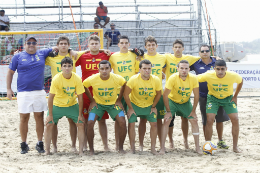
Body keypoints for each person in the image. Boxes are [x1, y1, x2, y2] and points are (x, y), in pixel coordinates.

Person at [6, 36, 56, 154]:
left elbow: (57, 47)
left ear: (36, 44)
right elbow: (10, 72)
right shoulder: (18, 56)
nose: (31, 44)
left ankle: (39, 143)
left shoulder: (42, 53)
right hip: (23, 92)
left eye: (33, 42)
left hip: (39, 91)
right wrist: (8, 88)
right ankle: (24, 144)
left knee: (39, 117)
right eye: (29, 43)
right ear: (25, 45)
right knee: (24, 118)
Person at [197, 60, 243, 153]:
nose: (220, 71)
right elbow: (194, 79)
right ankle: (208, 145)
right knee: (209, 120)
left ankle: (235, 147)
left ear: (226, 69)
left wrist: (235, 96)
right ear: (214, 69)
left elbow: (241, 81)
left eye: (222, 69)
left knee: (235, 119)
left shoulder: (232, 75)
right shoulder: (208, 75)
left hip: (228, 98)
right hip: (213, 99)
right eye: (218, 69)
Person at [45, 36, 81, 153]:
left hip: (71, 95)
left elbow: (91, 50)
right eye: (61, 43)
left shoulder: (73, 55)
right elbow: (38, 55)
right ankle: (54, 147)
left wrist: (104, 50)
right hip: (57, 94)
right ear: (58, 45)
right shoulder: (52, 57)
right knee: (53, 123)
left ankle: (74, 146)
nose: (63, 45)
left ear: (68, 45)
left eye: (65, 43)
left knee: (73, 121)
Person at [83, 60, 127, 155]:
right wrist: (92, 101)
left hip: (113, 104)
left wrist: (119, 100)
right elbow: (84, 86)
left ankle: (120, 148)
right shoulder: (93, 78)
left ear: (110, 69)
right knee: (90, 123)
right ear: (98, 69)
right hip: (98, 104)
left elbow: (124, 84)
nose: (104, 71)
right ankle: (91, 150)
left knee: (123, 122)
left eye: (107, 68)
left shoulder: (116, 78)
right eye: (102, 69)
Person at [76, 35, 111, 151]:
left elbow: (120, 53)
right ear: (88, 45)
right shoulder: (83, 56)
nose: (94, 45)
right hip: (86, 93)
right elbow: (71, 56)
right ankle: (85, 145)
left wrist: (102, 51)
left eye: (96, 43)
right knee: (86, 120)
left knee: (102, 120)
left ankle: (105, 145)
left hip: (101, 93)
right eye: (92, 44)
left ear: (99, 45)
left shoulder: (105, 55)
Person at [190, 45, 230, 149]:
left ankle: (220, 141)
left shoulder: (217, 62)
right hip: (203, 96)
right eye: (202, 51)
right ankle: (207, 143)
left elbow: (225, 73)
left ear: (210, 52)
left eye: (207, 50)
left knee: (219, 119)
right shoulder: (196, 64)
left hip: (218, 95)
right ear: (199, 53)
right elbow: (183, 67)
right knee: (206, 120)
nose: (205, 52)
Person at [159, 60, 203, 155]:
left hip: (185, 102)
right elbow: (165, 95)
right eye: (182, 68)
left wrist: (194, 111)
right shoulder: (173, 78)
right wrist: (168, 111)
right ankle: (162, 147)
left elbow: (196, 95)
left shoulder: (193, 78)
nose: (184, 70)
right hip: (172, 101)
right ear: (177, 69)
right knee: (167, 120)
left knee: (194, 120)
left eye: (186, 68)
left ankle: (197, 147)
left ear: (189, 69)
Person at [165, 39, 201, 149]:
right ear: (172, 49)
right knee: (169, 121)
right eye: (175, 47)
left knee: (185, 119)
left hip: (184, 95)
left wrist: (215, 58)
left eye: (179, 47)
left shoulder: (188, 58)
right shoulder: (167, 56)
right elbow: (151, 56)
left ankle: (185, 141)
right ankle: (171, 141)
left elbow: (203, 57)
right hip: (172, 92)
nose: (177, 49)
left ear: (183, 49)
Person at [109, 35, 141, 150]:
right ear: (118, 45)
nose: (124, 44)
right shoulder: (113, 57)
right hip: (118, 92)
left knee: (131, 120)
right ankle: (118, 145)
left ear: (129, 44)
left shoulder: (134, 55)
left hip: (132, 91)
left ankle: (132, 146)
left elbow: (138, 71)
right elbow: (108, 70)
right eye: (121, 43)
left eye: (126, 42)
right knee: (118, 120)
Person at [124, 59, 162, 155]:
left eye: (149, 68)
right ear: (140, 69)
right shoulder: (133, 79)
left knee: (154, 124)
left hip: (149, 105)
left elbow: (158, 94)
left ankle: (153, 148)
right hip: (135, 105)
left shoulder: (156, 79)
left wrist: (153, 106)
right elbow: (126, 94)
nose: (147, 71)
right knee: (131, 123)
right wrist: (130, 108)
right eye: (144, 68)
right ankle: (133, 148)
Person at [138, 35, 166, 151]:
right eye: (148, 45)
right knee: (143, 119)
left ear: (156, 46)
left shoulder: (163, 58)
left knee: (158, 119)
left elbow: (164, 70)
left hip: (157, 92)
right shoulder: (140, 57)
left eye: (153, 45)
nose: (151, 47)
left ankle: (159, 145)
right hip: (143, 92)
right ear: (145, 46)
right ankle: (140, 144)